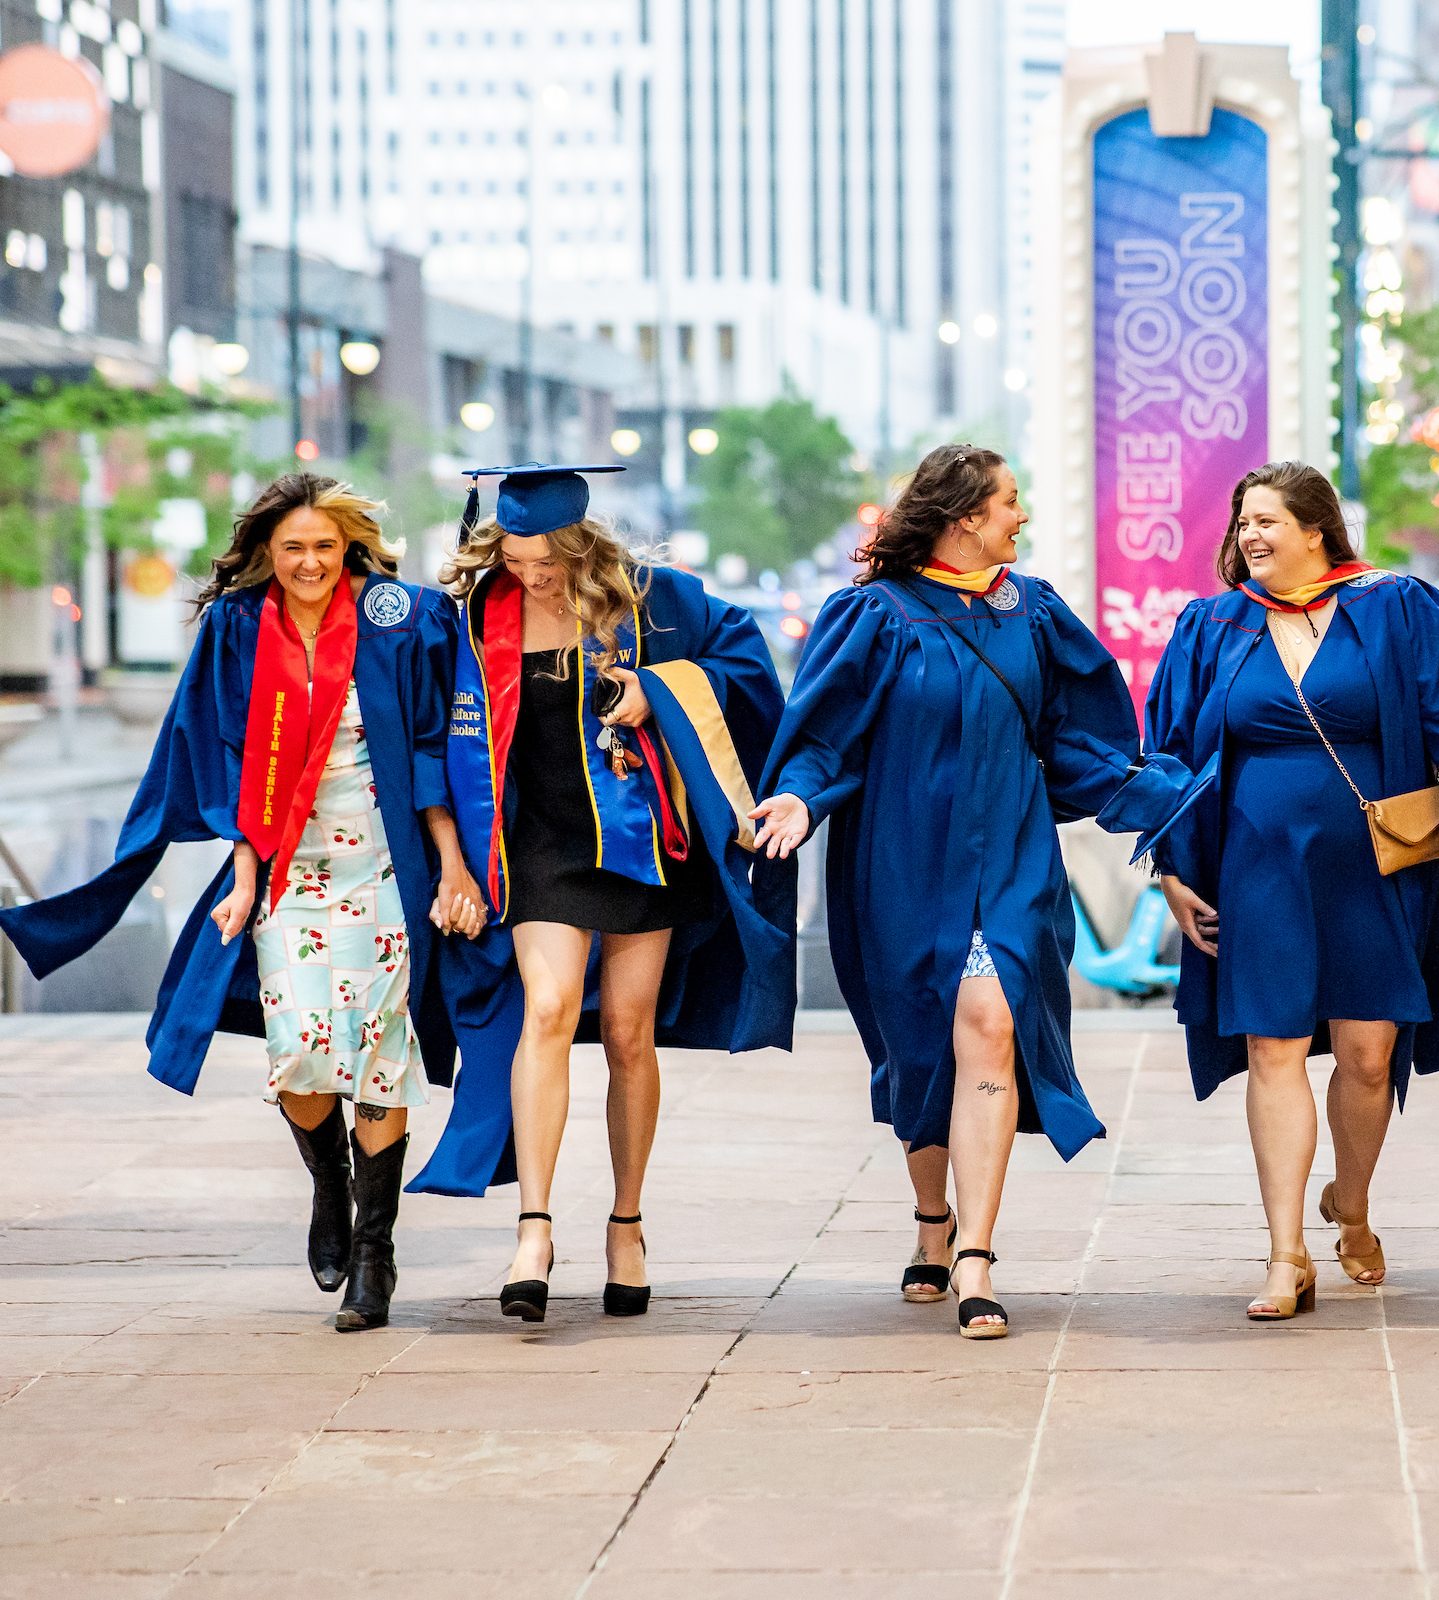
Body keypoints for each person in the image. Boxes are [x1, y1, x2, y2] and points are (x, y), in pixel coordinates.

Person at [0, 474, 479, 1332]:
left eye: (325, 547)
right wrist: (247, 874)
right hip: (288, 868)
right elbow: (225, 752)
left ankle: (376, 1249)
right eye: (292, 547)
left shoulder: (399, 617)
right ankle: (328, 1184)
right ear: (266, 551)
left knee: (378, 1050)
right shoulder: (237, 626)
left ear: (349, 545)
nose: (310, 563)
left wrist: (449, 863)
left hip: (384, 864)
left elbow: (435, 743)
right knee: (300, 1053)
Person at [750, 444, 1202, 1340]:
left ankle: (977, 1255)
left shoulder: (1029, 611)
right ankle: (931, 1218)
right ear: (963, 516)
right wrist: (800, 795)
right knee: (923, 1040)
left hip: (1011, 851)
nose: (1020, 516)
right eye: (1008, 501)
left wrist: (1153, 793)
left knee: (991, 1019)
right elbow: (828, 734)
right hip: (901, 856)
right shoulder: (871, 615)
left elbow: (1077, 734)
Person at [412, 464, 792, 1326]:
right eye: (512, 558)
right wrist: (454, 863)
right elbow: (432, 734)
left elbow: (746, 668)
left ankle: (626, 1225)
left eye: (544, 561)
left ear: (582, 546)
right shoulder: (475, 617)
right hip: (532, 847)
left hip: (636, 845)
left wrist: (655, 691)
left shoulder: (655, 601)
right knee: (546, 1009)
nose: (530, 576)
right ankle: (535, 1231)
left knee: (628, 1032)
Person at [1145, 461, 1439, 1321]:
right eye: (1241, 524)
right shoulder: (1213, 625)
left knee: (1367, 1056)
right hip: (1258, 866)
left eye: (1267, 520)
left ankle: (1352, 1198)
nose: (1249, 536)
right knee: (1272, 1049)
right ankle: (1284, 1254)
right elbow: (1166, 751)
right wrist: (1169, 869)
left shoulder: (1396, 607)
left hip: (1376, 863)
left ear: (1317, 529)